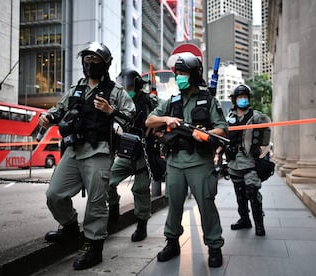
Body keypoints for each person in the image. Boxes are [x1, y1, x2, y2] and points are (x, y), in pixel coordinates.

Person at [38, 41, 136, 270]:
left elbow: (132, 118)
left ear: (106, 65)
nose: (90, 63)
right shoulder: (76, 88)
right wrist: (47, 117)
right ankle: (70, 226)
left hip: (99, 151)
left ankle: (94, 246)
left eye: (96, 60)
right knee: (54, 194)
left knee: (96, 202)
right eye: (87, 59)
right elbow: (58, 109)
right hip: (73, 151)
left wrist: (110, 111)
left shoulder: (115, 91)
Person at [145, 54, 227, 268]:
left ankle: (214, 246)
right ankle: (172, 243)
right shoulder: (172, 101)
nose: (179, 77)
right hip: (174, 163)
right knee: (173, 205)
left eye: (183, 74)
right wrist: (166, 119)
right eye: (177, 74)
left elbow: (222, 129)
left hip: (200, 163)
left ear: (193, 75)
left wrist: (204, 133)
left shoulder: (208, 99)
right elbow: (149, 120)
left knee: (206, 205)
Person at [107, 68, 162, 240]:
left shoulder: (149, 101)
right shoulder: (117, 101)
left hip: (144, 152)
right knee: (107, 181)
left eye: (129, 85)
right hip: (125, 152)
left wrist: (155, 127)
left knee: (140, 189)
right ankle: (114, 210)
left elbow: (163, 114)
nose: (126, 88)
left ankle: (142, 225)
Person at [224, 84, 271, 236]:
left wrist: (261, 153)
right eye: (240, 97)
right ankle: (244, 219)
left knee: (252, 191)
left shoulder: (256, 116)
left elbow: (266, 135)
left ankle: (259, 224)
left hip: (250, 161)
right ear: (234, 100)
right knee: (239, 193)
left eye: (245, 97)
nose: (243, 100)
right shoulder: (229, 118)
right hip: (233, 162)